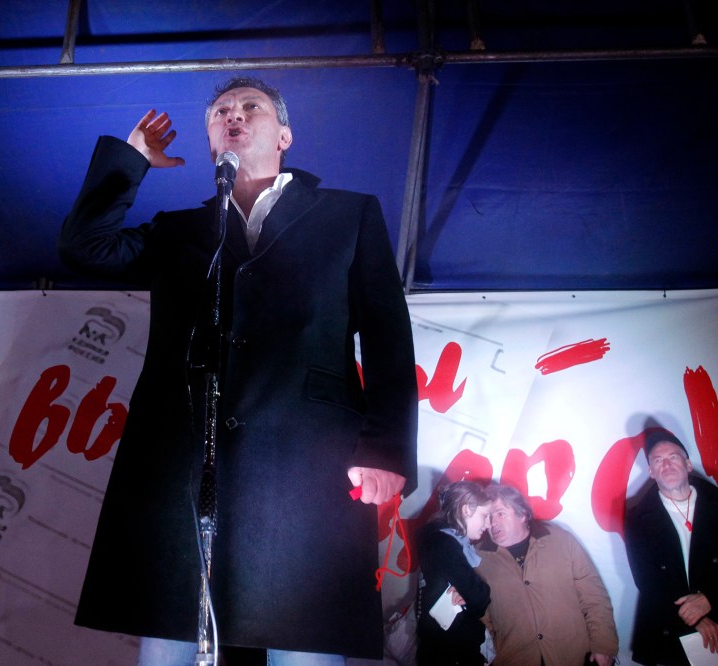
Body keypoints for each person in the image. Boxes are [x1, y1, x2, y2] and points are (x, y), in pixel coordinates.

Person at [58, 76, 418, 663]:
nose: (235, 115)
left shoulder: (349, 216)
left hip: (306, 469)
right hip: (186, 467)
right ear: (209, 140)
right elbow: (84, 249)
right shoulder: (179, 230)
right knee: (172, 640)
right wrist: (131, 162)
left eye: (251, 107)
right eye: (221, 110)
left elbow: (387, 338)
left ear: (284, 134)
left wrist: (386, 448)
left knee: (304, 645)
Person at [623, 430, 718, 666]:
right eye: (658, 460)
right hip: (670, 625)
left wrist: (710, 600)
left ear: (687, 465)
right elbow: (647, 582)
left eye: (673, 457)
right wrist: (695, 620)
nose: (666, 465)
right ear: (651, 472)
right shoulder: (636, 520)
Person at [475, 484, 618, 666]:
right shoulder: (477, 559)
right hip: (515, 659)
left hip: (574, 656)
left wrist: (603, 646)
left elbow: (594, 596)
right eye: (487, 516)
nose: (492, 522)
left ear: (522, 514)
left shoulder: (560, 540)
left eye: (500, 513)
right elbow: (481, 615)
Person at [415, 480, 492, 666]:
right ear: (467, 510)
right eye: (484, 515)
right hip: (450, 650)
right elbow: (478, 597)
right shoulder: (444, 543)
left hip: (445, 646)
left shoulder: (442, 539)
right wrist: (473, 593)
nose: (488, 524)